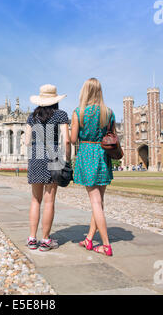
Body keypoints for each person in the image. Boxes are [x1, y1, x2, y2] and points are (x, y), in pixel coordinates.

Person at [70, 78, 114, 257]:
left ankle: (105, 245)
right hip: (103, 154)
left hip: (87, 153)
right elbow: (112, 135)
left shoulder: (78, 112)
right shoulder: (108, 112)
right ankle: (89, 238)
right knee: (99, 201)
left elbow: (73, 140)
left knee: (95, 202)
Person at [25, 84, 71, 252]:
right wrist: (68, 159)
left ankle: (32, 238)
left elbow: (27, 141)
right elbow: (66, 140)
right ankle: (45, 240)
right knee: (49, 201)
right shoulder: (61, 115)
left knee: (35, 200)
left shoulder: (32, 116)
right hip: (53, 156)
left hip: (35, 156)